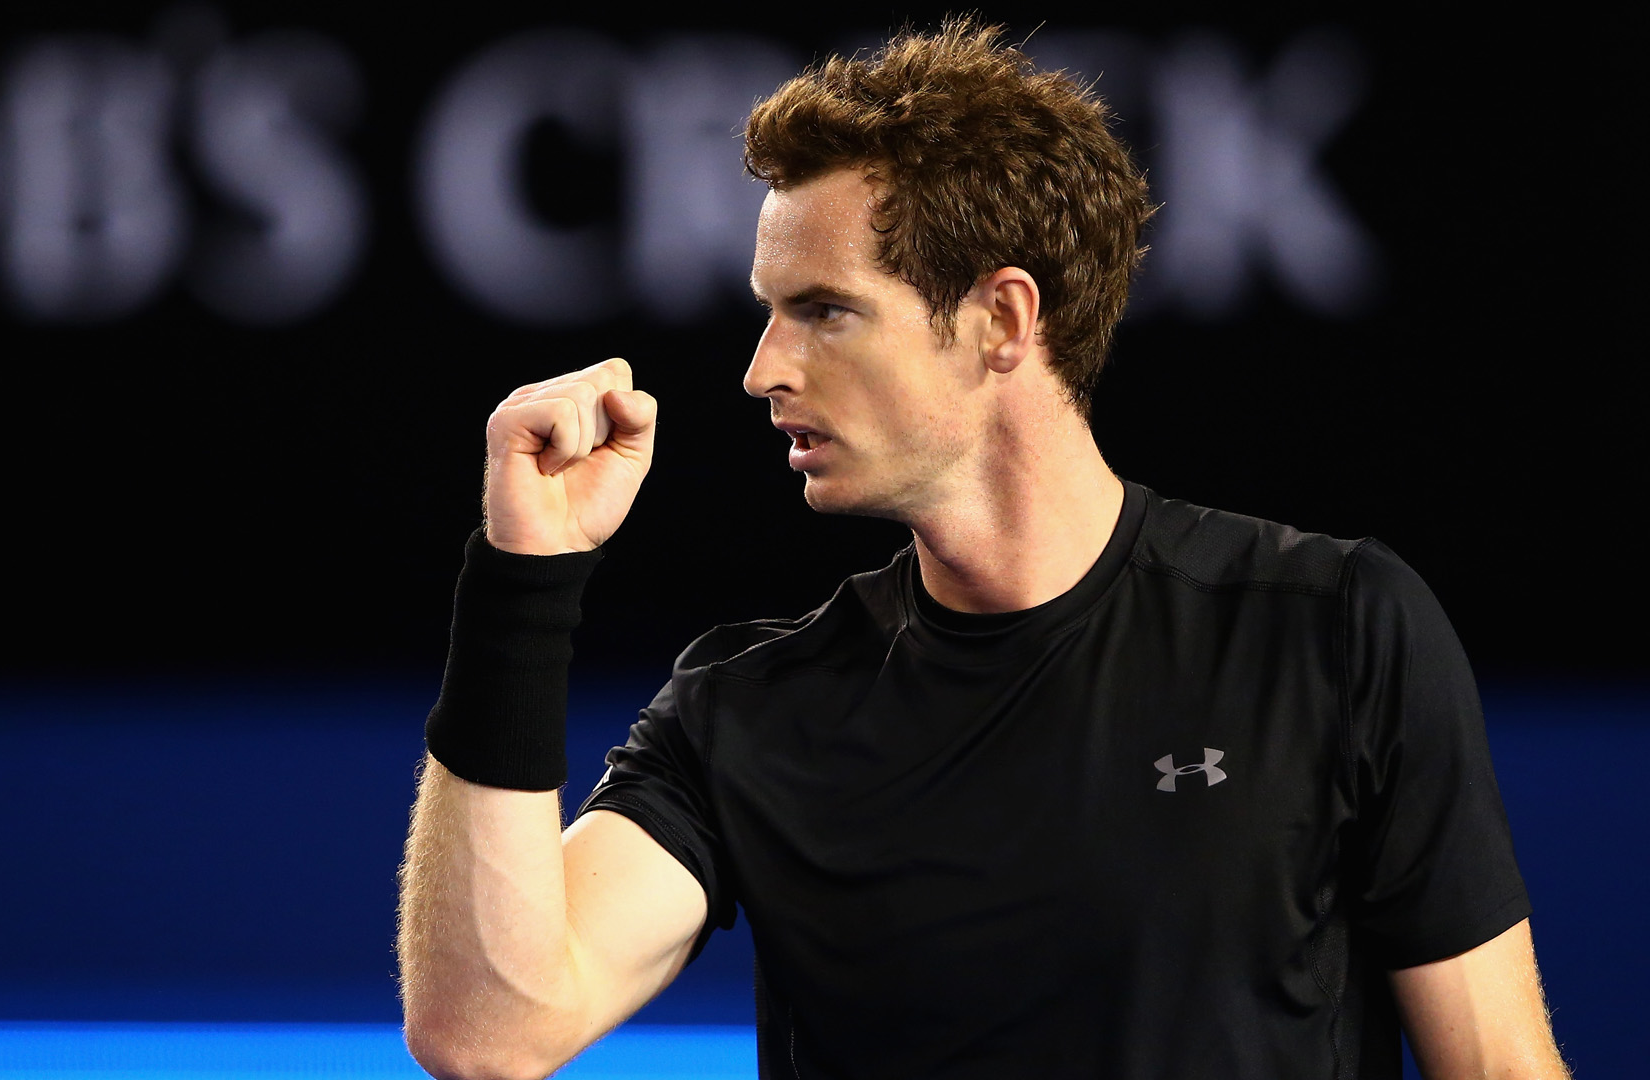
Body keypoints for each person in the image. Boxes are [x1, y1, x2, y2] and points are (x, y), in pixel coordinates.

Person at [397, 19, 1569, 1080]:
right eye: (769, 310)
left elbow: (1499, 1067)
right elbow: (487, 1028)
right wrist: (522, 581)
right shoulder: (750, 715)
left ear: (1001, 320)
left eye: (824, 309)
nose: (763, 370)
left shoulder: (1331, 627)